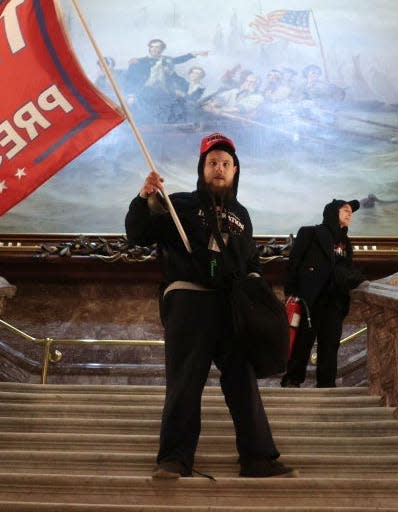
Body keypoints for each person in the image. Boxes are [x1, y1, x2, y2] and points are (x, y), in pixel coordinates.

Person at [126, 132, 298, 479]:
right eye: (212, 162)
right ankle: (174, 459)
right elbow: (139, 233)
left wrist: (256, 288)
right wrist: (146, 199)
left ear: (235, 171)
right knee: (185, 381)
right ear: (202, 168)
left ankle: (258, 459)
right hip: (190, 300)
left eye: (225, 163)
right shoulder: (179, 205)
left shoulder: (241, 215)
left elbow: (252, 261)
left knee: (242, 381)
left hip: (232, 306)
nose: (219, 168)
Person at [281, 199, 365, 388]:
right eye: (345, 210)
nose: (349, 214)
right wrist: (292, 293)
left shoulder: (346, 243)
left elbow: (347, 270)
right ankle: (292, 381)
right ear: (332, 212)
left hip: (335, 302)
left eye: (351, 211)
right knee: (303, 343)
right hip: (310, 300)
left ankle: (326, 386)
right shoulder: (310, 233)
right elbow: (293, 264)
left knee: (330, 346)